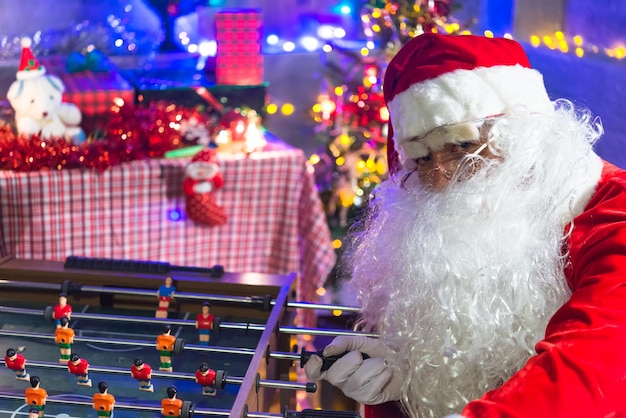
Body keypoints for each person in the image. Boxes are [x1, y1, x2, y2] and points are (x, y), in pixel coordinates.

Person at [305, 33, 626, 418]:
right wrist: (405, 382)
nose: (440, 179)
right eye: (422, 159)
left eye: (461, 147)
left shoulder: (611, 212)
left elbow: (593, 365)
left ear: (523, 135)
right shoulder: (439, 220)